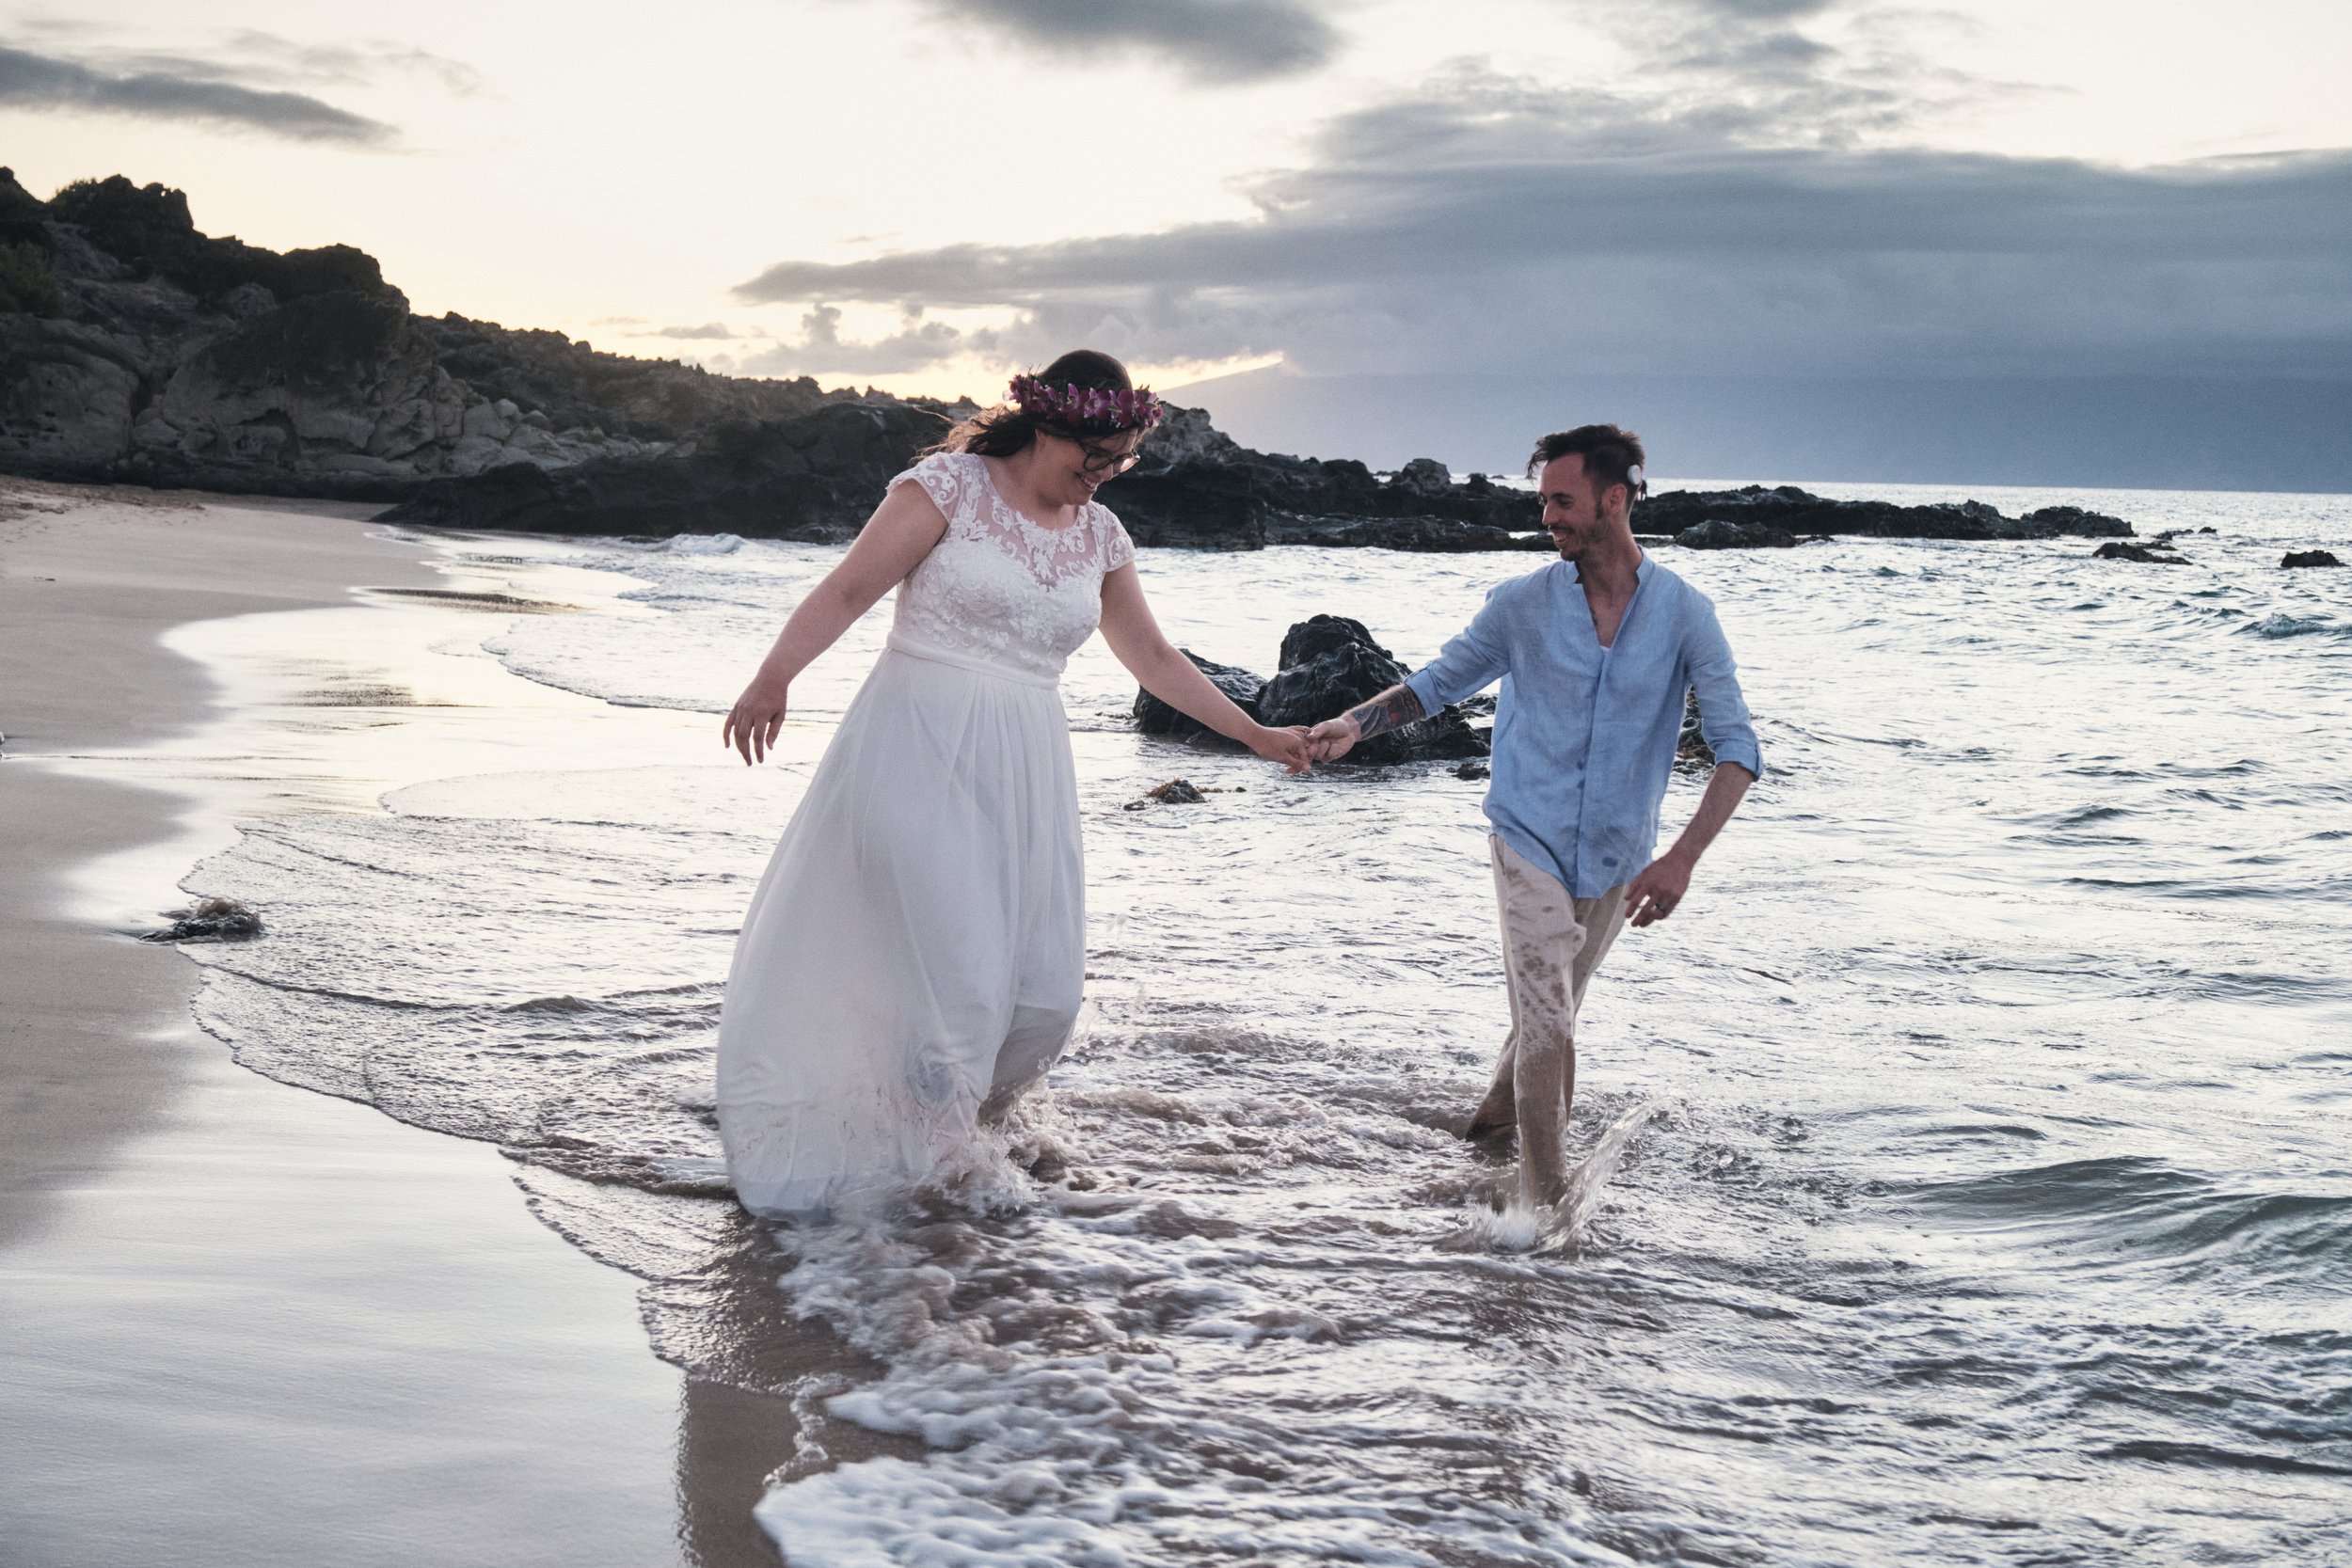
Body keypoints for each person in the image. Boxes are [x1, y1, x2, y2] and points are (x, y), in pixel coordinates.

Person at [715, 350, 1311, 1218]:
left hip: (1028, 767)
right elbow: (848, 589)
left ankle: (937, 1135)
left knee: (1041, 996)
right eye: (1093, 458)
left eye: (1119, 462)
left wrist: (1255, 731)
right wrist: (775, 676)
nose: (1103, 478)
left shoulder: (1101, 536)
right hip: (916, 742)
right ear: (1049, 427)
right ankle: (923, 1207)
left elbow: (1151, 656)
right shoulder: (948, 490)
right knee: (955, 977)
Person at [1306, 425, 1761, 1210]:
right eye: (1543, 499)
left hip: (1622, 854)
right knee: (1549, 1018)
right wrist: (1355, 722)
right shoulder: (1521, 605)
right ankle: (1543, 1210)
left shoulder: (1687, 615)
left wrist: (1681, 857)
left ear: (1614, 501)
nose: (1546, 516)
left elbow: (1738, 747)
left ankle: (1486, 1132)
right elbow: (1438, 683)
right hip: (1528, 837)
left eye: (1562, 500)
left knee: (1544, 1015)